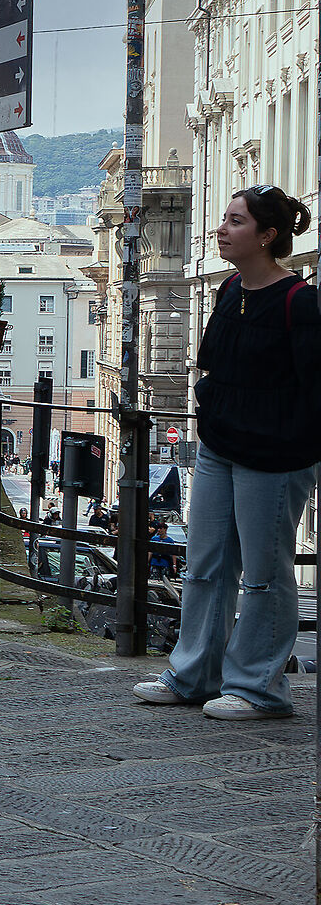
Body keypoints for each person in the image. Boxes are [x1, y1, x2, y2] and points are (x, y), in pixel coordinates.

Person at [136, 184, 321, 719]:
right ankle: (194, 673)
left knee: (264, 572)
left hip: (273, 455)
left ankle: (258, 687)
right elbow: (212, 363)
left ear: (267, 236)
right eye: (224, 218)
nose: (221, 229)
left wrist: (293, 444)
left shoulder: (299, 303)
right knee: (205, 563)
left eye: (236, 221)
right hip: (219, 446)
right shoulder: (228, 291)